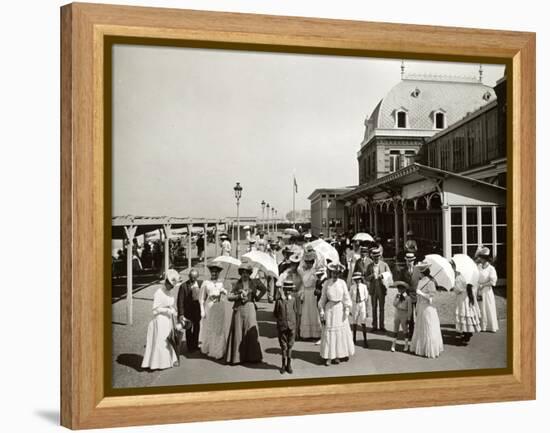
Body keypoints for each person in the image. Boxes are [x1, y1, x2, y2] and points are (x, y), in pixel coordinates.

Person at [225, 263, 267, 365]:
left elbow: (264, 289)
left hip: (250, 307)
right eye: (243, 272)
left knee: (251, 330)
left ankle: (253, 357)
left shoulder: (255, 282)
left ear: (250, 273)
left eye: (247, 272)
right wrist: (239, 296)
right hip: (238, 308)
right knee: (238, 332)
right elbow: (229, 297)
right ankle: (237, 358)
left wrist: (257, 297)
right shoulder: (236, 283)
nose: (245, 275)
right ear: (240, 273)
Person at [141, 269, 181, 370]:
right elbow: (155, 310)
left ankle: (168, 361)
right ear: (166, 282)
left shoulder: (170, 293)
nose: (171, 287)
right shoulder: (159, 292)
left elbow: (170, 304)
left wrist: (173, 311)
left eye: (173, 286)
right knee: (160, 341)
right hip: (160, 320)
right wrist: (167, 311)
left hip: (168, 320)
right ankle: (158, 363)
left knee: (168, 340)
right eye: (170, 285)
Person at [318, 262, 355, 366]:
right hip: (329, 309)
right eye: (333, 273)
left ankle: (338, 355)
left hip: (339, 309)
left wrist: (347, 308)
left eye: (337, 273)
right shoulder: (326, 283)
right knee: (329, 332)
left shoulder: (342, 283)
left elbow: (346, 296)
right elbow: (323, 297)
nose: (335, 275)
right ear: (330, 273)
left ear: (339, 273)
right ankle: (330, 356)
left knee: (340, 332)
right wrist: (321, 310)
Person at [410, 262, 444, 358]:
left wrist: (421, 293)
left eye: (420, 272)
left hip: (428, 308)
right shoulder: (421, 281)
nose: (419, 274)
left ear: (422, 273)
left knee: (428, 326)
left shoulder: (431, 282)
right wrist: (418, 294)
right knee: (421, 327)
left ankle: (430, 349)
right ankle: (422, 348)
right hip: (421, 307)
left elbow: (432, 299)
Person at [199, 263, 228, 359]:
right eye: (212, 272)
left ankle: (218, 351)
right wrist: (202, 310)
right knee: (210, 327)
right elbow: (201, 298)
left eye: (216, 272)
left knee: (219, 329)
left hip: (219, 307)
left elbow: (224, 294)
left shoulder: (221, 282)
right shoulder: (206, 283)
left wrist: (223, 292)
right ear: (210, 273)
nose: (214, 274)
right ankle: (209, 348)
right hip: (210, 307)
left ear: (219, 273)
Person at [450, 259, 480, 345]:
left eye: (453, 266)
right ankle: (467, 331)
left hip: (462, 298)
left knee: (463, 313)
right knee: (468, 313)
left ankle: (466, 332)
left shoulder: (459, 277)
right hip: (468, 297)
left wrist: (454, 288)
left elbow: (458, 290)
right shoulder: (469, 275)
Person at [277, 253, 304, 339]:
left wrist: (300, 292)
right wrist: (282, 293)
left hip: (297, 295)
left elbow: (303, 284)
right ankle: (288, 332)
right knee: (289, 314)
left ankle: (297, 333)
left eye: (296, 264)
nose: (294, 266)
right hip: (288, 295)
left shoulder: (300, 273)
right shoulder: (286, 273)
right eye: (293, 264)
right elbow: (279, 282)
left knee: (298, 314)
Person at [274, 280, 298, 374]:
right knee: (283, 347)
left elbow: (295, 312)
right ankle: (283, 365)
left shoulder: (293, 300)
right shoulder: (279, 301)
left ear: (292, 290)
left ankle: (289, 364)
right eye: (286, 290)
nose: (288, 292)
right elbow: (275, 313)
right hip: (282, 326)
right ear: (283, 290)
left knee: (290, 346)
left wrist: (295, 326)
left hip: (292, 326)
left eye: (290, 290)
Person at [365, 247, 391, 332]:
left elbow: (389, 274)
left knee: (382, 308)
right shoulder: (370, 266)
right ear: (372, 257)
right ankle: (374, 325)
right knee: (374, 307)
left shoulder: (384, 265)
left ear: (380, 256)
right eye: (375, 257)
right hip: (373, 288)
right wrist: (371, 276)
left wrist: (382, 276)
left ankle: (382, 325)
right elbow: (366, 278)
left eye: (378, 256)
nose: (376, 258)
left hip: (381, 287)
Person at [177, 268, 203, 352]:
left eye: (195, 278)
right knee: (188, 329)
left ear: (197, 277)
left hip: (197, 311)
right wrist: (181, 314)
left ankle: (195, 345)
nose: (193, 280)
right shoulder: (183, 286)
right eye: (191, 278)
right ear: (189, 276)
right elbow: (180, 301)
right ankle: (190, 347)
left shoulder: (200, 284)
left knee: (197, 328)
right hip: (188, 311)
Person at [298, 251, 322, 340]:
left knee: (314, 313)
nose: (308, 264)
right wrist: (301, 294)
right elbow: (302, 284)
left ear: (313, 263)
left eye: (310, 262)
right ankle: (306, 334)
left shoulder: (315, 272)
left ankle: (316, 334)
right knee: (306, 313)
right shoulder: (303, 271)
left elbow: (319, 283)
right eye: (307, 262)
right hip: (306, 293)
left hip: (313, 294)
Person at [476, 247, 499, 332]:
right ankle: (481, 326)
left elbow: (493, 282)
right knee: (480, 307)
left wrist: (483, 285)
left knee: (488, 307)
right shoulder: (478, 266)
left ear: (485, 259)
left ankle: (490, 326)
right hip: (479, 290)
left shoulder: (491, 268)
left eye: (481, 258)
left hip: (486, 291)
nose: (480, 259)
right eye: (480, 257)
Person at [400, 252, 420, 339]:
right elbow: (400, 285)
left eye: (411, 261)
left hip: (417, 296)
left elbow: (421, 282)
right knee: (410, 317)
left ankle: (419, 332)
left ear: (414, 261)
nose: (409, 262)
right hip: (408, 297)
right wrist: (404, 295)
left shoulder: (418, 270)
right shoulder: (403, 271)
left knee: (419, 315)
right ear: (406, 261)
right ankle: (411, 333)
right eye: (408, 261)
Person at [391, 282, 412, 352]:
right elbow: (394, 304)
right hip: (397, 313)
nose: (399, 290)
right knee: (395, 329)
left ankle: (406, 345)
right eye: (398, 288)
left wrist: (409, 318)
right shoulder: (397, 296)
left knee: (405, 330)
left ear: (404, 289)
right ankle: (393, 345)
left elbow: (410, 309)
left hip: (404, 314)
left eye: (401, 288)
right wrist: (398, 299)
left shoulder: (408, 298)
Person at [349, 271, 369, 348]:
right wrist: (350, 308)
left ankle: (365, 340)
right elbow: (349, 297)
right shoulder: (352, 287)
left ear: (361, 279)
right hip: (355, 304)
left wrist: (366, 309)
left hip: (362, 303)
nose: (358, 281)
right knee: (354, 322)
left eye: (359, 279)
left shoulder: (364, 286)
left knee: (363, 322)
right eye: (356, 279)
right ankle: (354, 339)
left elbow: (366, 298)